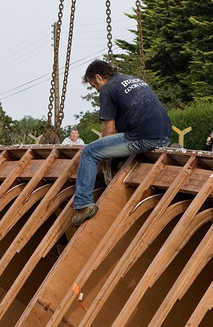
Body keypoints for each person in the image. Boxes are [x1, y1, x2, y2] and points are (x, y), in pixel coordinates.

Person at [70, 60, 173, 227]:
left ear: (98, 77)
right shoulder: (133, 79)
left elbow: (108, 129)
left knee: (89, 152)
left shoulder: (107, 89)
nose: (95, 89)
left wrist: (103, 156)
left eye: (92, 85)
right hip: (165, 134)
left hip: (142, 137)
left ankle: (82, 205)